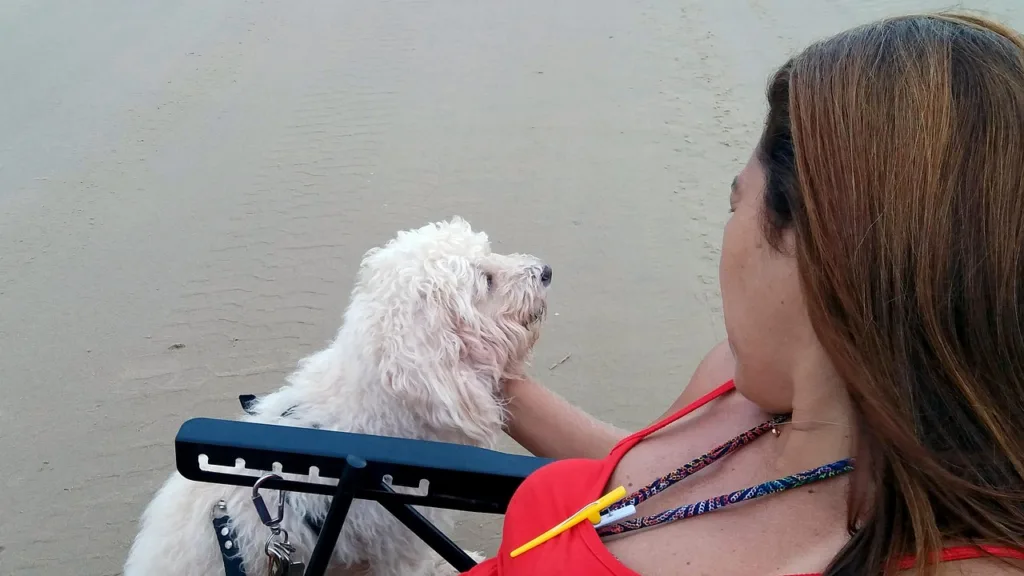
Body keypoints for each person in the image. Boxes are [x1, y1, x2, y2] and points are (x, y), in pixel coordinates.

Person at [462, 12, 1024, 576]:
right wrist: (491, 375)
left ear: (814, 242)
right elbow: (643, 482)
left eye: (735, 204)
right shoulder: (740, 379)